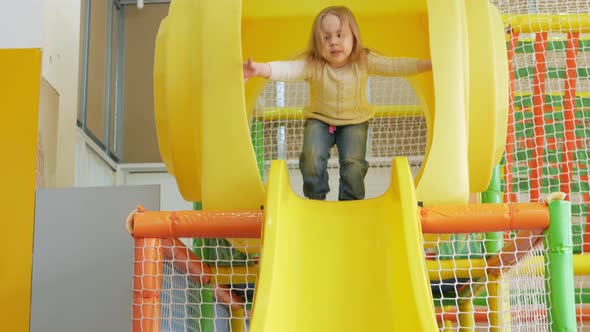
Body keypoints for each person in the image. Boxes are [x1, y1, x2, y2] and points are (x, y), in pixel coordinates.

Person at [243, 6, 432, 201]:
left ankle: (351, 201)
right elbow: (287, 69)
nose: (333, 41)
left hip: (354, 121)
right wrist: (260, 69)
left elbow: (395, 65)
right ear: (318, 42)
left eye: (340, 35)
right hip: (319, 120)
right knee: (311, 157)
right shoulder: (313, 64)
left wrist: (426, 64)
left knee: (353, 162)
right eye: (326, 37)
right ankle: (315, 197)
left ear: (354, 37)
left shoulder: (363, 61)